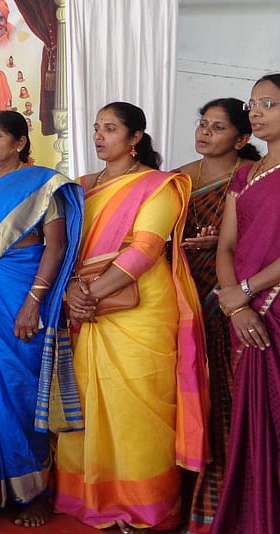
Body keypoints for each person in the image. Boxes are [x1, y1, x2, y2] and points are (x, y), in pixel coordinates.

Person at [58, 102, 207, 533]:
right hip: (87, 307)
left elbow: (144, 250)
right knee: (88, 398)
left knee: (136, 405)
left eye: (110, 129)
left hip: (139, 306)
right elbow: (64, 252)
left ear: (135, 138)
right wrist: (74, 292)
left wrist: (89, 296)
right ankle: (91, 496)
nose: (99, 136)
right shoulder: (82, 187)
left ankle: (143, 506)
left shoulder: (160, 185)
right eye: (95, 128)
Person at [0, 111, 84, 527]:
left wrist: (33, 302)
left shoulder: (45, 183)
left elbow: (55, 247)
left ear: (21, 142)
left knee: (20, 388)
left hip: (21, 293)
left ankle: (33, 493)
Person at [173, 98, 260, 533]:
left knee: (225, 391)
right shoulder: (180, 178)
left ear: (243, 139)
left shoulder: (247, 178)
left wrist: (217, 245)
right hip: (181, 295)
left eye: (218, 128)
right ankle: (177, 497)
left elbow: (259, 237)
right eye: (202, 124)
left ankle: (229, 496)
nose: (205, 132)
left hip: (231, 298)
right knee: (186, 394)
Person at [212, 73, 280, 534]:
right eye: (252, 103)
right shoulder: (245, 174)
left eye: (269, 104)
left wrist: (250, 291)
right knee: (249, 418)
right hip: (244, 311)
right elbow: (226, 246)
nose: (255, 111)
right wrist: (235, 304)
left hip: (272, 303)